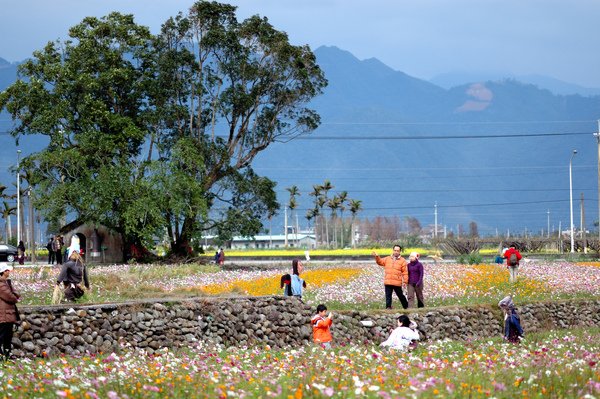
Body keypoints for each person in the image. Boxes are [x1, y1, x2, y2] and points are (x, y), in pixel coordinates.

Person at [372, 245, 408, 309]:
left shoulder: (403, 261)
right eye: (395, 250)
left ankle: (406, 307)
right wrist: (377, 256)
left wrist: (405, 281)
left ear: (400, 252)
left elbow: (405, 272)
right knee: (388, 296)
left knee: (400, 295)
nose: (396, 252)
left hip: (397, 282)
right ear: (393, 250)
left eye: (398, 251)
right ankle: (388, 308)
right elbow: (380, 262)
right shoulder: (387, 258)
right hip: (388, 281)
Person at [0, 263, 20, 360]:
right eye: (7, 270)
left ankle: (7, 354)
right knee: (2, 336)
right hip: (4, 315)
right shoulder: (1, 284)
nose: (9, 271)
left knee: (8, 336)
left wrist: (14, 294)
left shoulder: (7, 283)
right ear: (3, 272)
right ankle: (2, 355)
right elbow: (11, 297)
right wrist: (14, 296)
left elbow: (16, 294)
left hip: (8, 314)